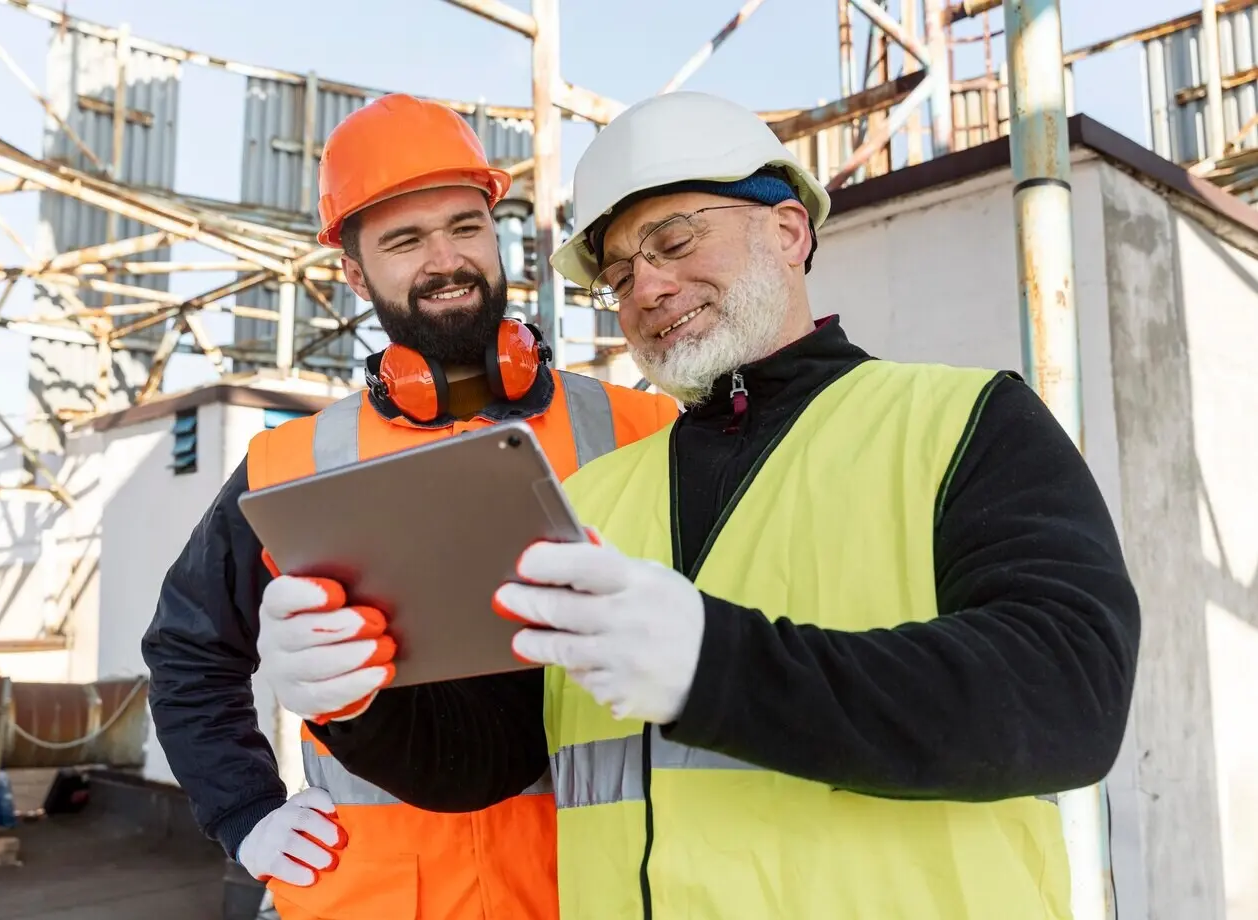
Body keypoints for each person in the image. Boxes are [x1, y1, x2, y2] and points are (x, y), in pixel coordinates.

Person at [253, 90, 1142, 919]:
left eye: (675, 242)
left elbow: (1070, 695)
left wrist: (715, 666)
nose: (647, 289)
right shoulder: (597, 494)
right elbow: (490, 757)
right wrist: (358, 696)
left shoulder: (965, 421)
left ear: (790, 230)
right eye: (618, 272)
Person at [140, 92, 679, 920]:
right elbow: (188, 653)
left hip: (593, 892)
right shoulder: (289, 463)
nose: (447, 259)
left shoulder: (643, 428)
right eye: (404, 239)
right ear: (353, 271)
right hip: (380, 899)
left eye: (466, 227)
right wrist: (243, 812)